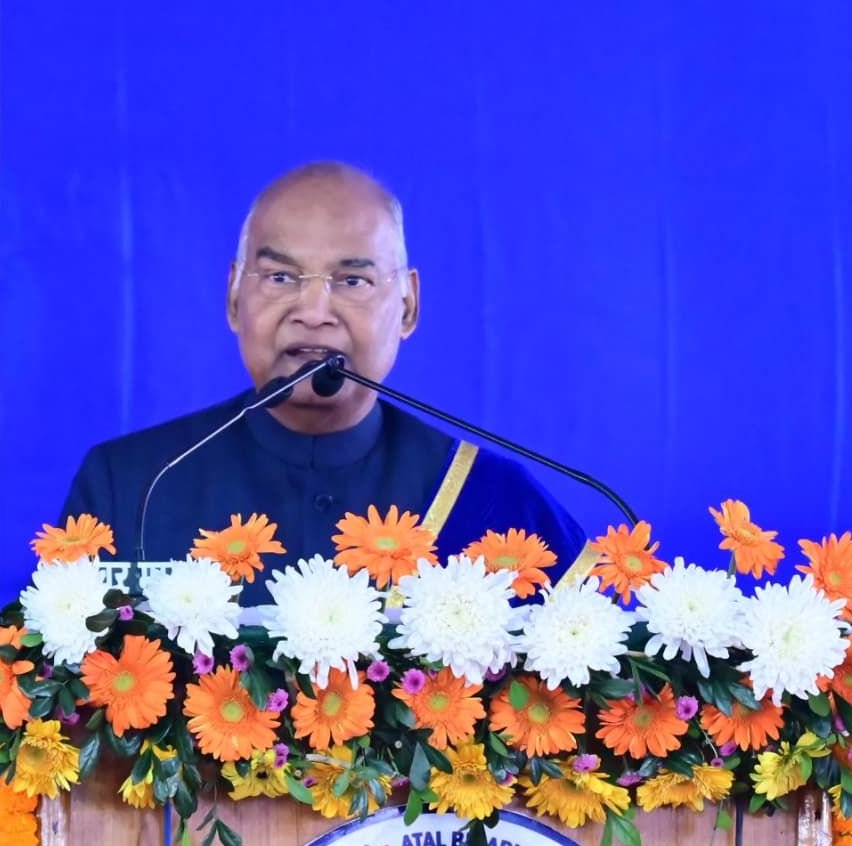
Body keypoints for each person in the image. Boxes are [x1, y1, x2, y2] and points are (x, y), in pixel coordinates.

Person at [61, 162, 586, 603]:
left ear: (408, 306)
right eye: (280, 277)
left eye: (352, 280)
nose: (313, 313)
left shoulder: (496, 503)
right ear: (233, 297)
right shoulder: (131, 486)